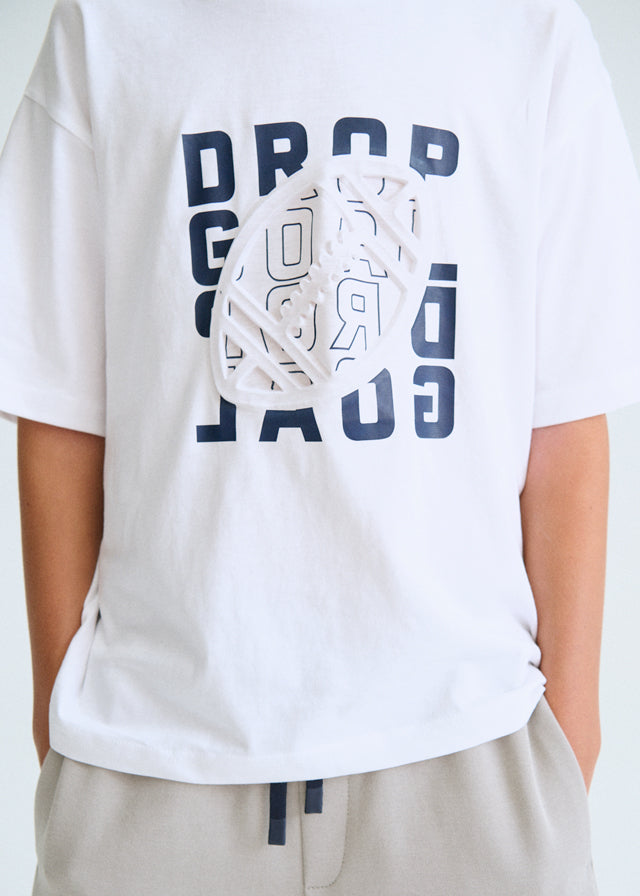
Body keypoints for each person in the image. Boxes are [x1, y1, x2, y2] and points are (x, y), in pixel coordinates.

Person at [1, 0, 639, 893]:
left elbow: (564, 421)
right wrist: (65, 731)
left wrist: (565, 745)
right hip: (155, 761)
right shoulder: (108, 27)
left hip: (468, 756)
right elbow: (61, 410)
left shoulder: (529, 30)